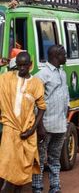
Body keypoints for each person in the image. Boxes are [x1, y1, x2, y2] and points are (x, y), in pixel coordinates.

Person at [0, 52, 46, 193]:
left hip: (27, 129)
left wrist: (33, 130)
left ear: (30, 65)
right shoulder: (6, 78)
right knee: (6, 162)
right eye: (18, 66)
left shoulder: (36, 83)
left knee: (23, 164)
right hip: (10, 127)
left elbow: (42, 108)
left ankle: (16, 190)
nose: (21, 69)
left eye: (24, 65)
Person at [32, 45, 69, 193]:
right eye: (64, 54)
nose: (66, 57)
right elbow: (36, 104)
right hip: (45, 125)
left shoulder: (62, 73)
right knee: (40, 159)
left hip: (60, 125)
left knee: (55, 159)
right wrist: (39, 126)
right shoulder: (42, 75)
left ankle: (55, 187)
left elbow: (64, 95)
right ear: (56, 56)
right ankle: (37, 188)